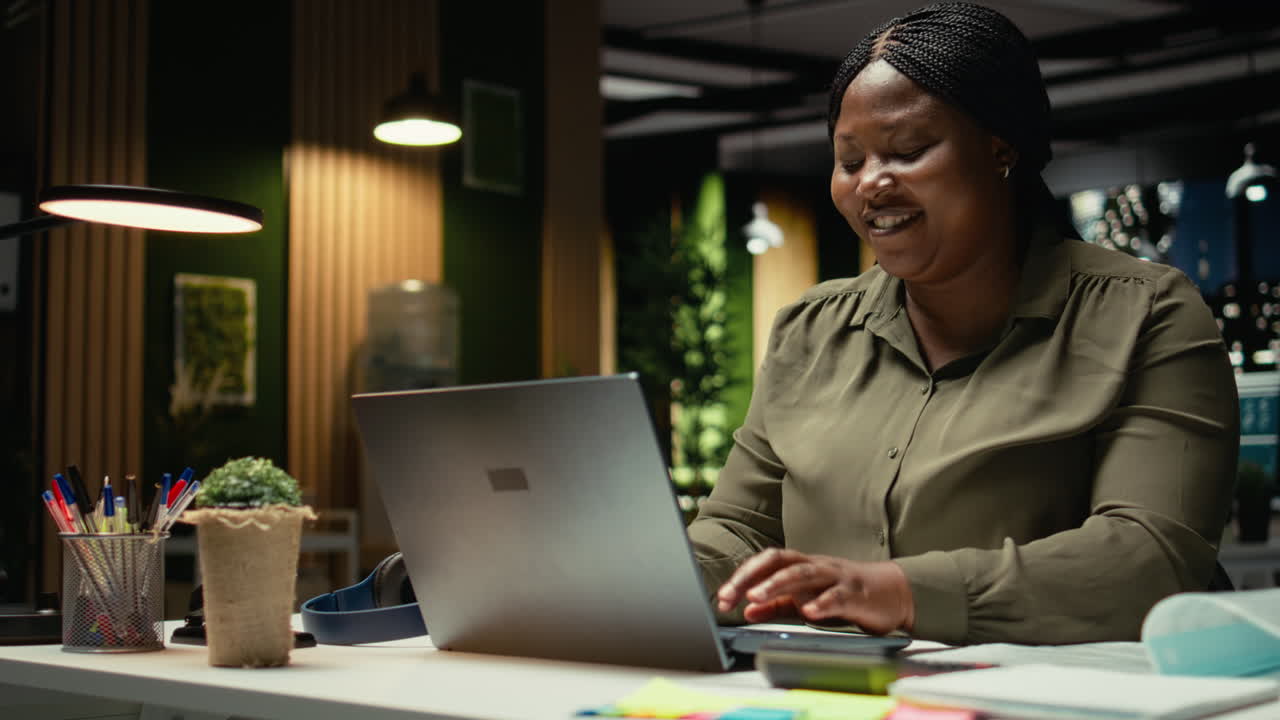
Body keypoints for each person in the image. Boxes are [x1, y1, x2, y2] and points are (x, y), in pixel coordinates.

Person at [687, 1, 1239, 646]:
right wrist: (651, 575)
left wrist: (900, 593)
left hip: (1057, 689)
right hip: (830, 685)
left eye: (908, 151)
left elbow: (1151, 558)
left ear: (1000, 149)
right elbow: (739, 529)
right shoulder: (810, 331)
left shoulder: (1145, 313)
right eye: (850, 161)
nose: (872, 183)